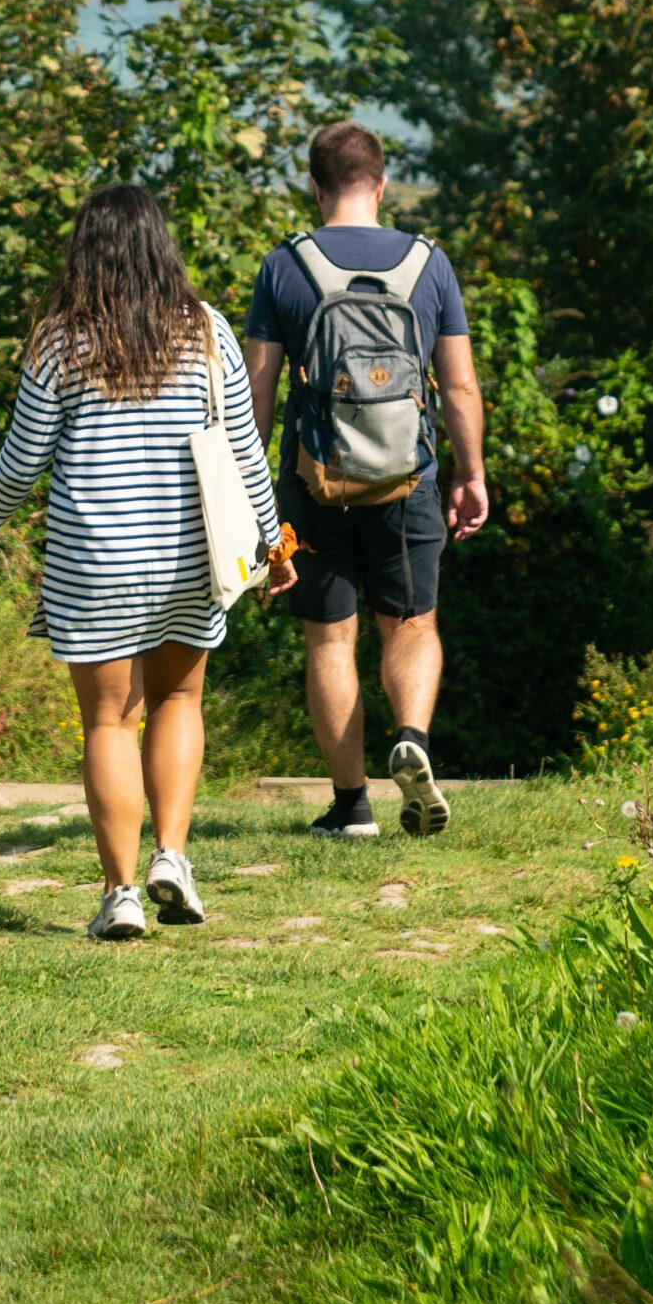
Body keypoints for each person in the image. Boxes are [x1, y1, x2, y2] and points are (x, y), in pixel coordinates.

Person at [0, 185, 291, 942]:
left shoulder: (60, 340)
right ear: (160, 247)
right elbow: (244, 451)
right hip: (186, 556)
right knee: (179, 702)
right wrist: (274, 544)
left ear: (86, 251)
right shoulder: (206, 332)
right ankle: (172, 855)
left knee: (109, 718)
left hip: (94, 558)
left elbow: (22, 461)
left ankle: (122, 893)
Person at [241, 121, 489, 844]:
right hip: (407, 478)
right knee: (411, 625)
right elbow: (461, 384)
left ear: (314, 188)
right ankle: (410, 733)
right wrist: (470, 475)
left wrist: (253, 499)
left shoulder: (284, 265)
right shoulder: (429, 264)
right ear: (379, 185)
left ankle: (351, 807)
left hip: (314, 481)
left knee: (329, 639)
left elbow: (257, 390)